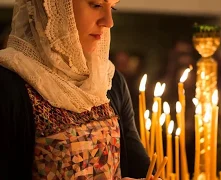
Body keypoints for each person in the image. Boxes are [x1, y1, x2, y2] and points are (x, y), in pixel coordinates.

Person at [0, 0, 152, 179]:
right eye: (96, 5)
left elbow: (137, 163)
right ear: (55, 8)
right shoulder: (8, 85)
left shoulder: (109, 80)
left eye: (112, 7)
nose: (109, 22)